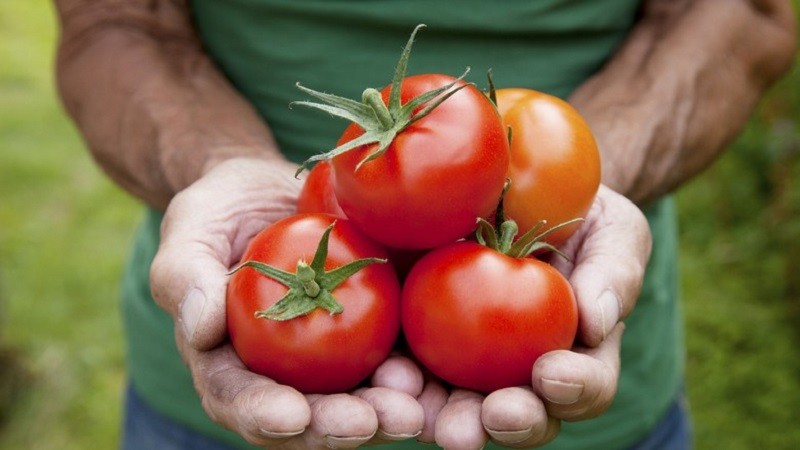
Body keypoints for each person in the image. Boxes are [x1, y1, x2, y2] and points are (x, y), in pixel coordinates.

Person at [52, 0, 796, 449]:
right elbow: (114, 20)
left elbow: (744, 13)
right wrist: (217, 165)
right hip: (211, 382)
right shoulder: (346, 192)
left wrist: (578, 192)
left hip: (593, 386)